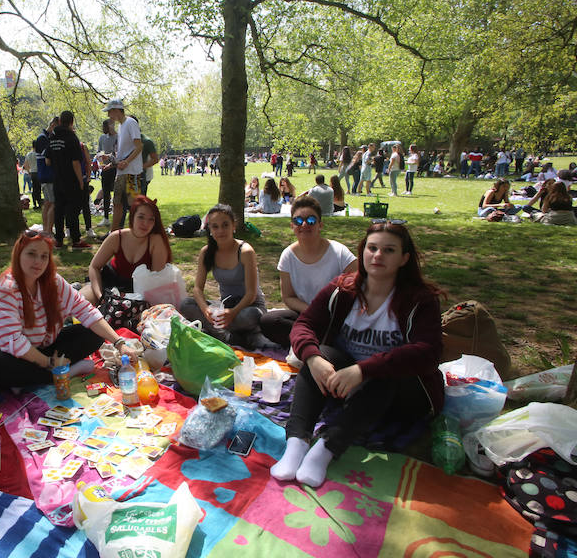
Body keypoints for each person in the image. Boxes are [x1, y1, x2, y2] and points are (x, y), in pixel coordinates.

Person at [271, 222, 444, 487]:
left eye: (388, 250)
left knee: (387, 371)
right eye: (372, 248)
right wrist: (313, 357)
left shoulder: (420, 301)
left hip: (402, 394)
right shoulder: (343, 289)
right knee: (318, 355)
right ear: (362, 253)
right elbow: (305, 324)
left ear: (404, 258)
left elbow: (428, 352)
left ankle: (326, 448)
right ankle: (296, 443)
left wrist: (364, 370)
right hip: (348, 386)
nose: (377, 256)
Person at [0, 230, 139, 389]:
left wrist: (119, 344)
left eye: (44, 256)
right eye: (31, 254)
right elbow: (13, 342)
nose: (38, 261)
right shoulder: (6, 289)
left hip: (43, 346)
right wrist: (50, 363)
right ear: (18, 255)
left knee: (93, 335)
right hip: (8, 353)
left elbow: (86, 311)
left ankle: (32, 378)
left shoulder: (54, 281)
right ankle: (63, 373)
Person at [259, 196, 356, 345]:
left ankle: (310, 342)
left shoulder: (339, 253)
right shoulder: (287, 256)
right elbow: (288, 297)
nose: (304, 224)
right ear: (292, 226)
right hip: (307, 313)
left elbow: (361, 286)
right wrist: (312, 311)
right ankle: (314, 341)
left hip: (335, 317)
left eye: (311, 220)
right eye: (298, 221)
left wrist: (328, 314)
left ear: (320, 225)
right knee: (269, 321)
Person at [179, 204, 269, 348]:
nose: (220, 231)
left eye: (225, 225)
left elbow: (251, 294)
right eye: (215, 227)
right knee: (186, 305)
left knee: (250, 317)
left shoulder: (245, 251)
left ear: (234, 226)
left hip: (248, 307)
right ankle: (232, 336)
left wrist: (232, 313)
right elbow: (197, 289)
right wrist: (206, 310)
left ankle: (222, 333)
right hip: (225, 306)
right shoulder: (206, 252)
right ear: (209, 229)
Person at [81, 195, 171, 304]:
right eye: (141, 217)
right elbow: (94, 267)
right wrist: (100, 296)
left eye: (151, 219)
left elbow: (156, 281)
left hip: (139, 291)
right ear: (132, 217)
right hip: (109, 283)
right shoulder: (117, 237)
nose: (145, 223)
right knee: (80, 305)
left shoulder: (156, 241)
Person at [49, 110, 90, 249]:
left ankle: (59, 240)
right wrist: (80, 181)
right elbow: (76, 162)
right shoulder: (72, 138)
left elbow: (48, 161)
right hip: (71, 180)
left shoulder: (52, 137)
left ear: (60, 121)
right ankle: (76, 240)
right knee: (72, 211)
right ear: (71, 122)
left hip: (57, 179)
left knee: (59, 210)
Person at [105, 99, 143, 231]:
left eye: (110, 111)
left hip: (132, 172)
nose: (109, 115)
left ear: (116, 110)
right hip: (121, 172)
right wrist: (113, 163)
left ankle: (137, 232)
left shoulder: (130, 123)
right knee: (117, 204)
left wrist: (126, 162)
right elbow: (123, 152)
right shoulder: (121, 126)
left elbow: (139, 147)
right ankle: (113, 234)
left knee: (134, 205)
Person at [36, 116, 60, 234]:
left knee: (47, 203)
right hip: (48, 175)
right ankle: (48, 230)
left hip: (46, 176)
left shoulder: (45, 138)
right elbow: (48, 158)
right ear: (53, 125)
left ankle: (46, 229)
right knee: (53, 203)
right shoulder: (43, 139)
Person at [97, 119, 118, 226]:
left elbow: (118, 154)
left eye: (105, 127)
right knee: (105, 193)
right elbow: (99, 151)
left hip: (115, 169)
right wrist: (100, 160)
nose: (103, 129)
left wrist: (110, 162)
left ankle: (116, 216)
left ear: (111, 126)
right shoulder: (102, 138)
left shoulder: (118, 137)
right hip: (105, 170)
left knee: (117, 194)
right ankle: (106, 218)